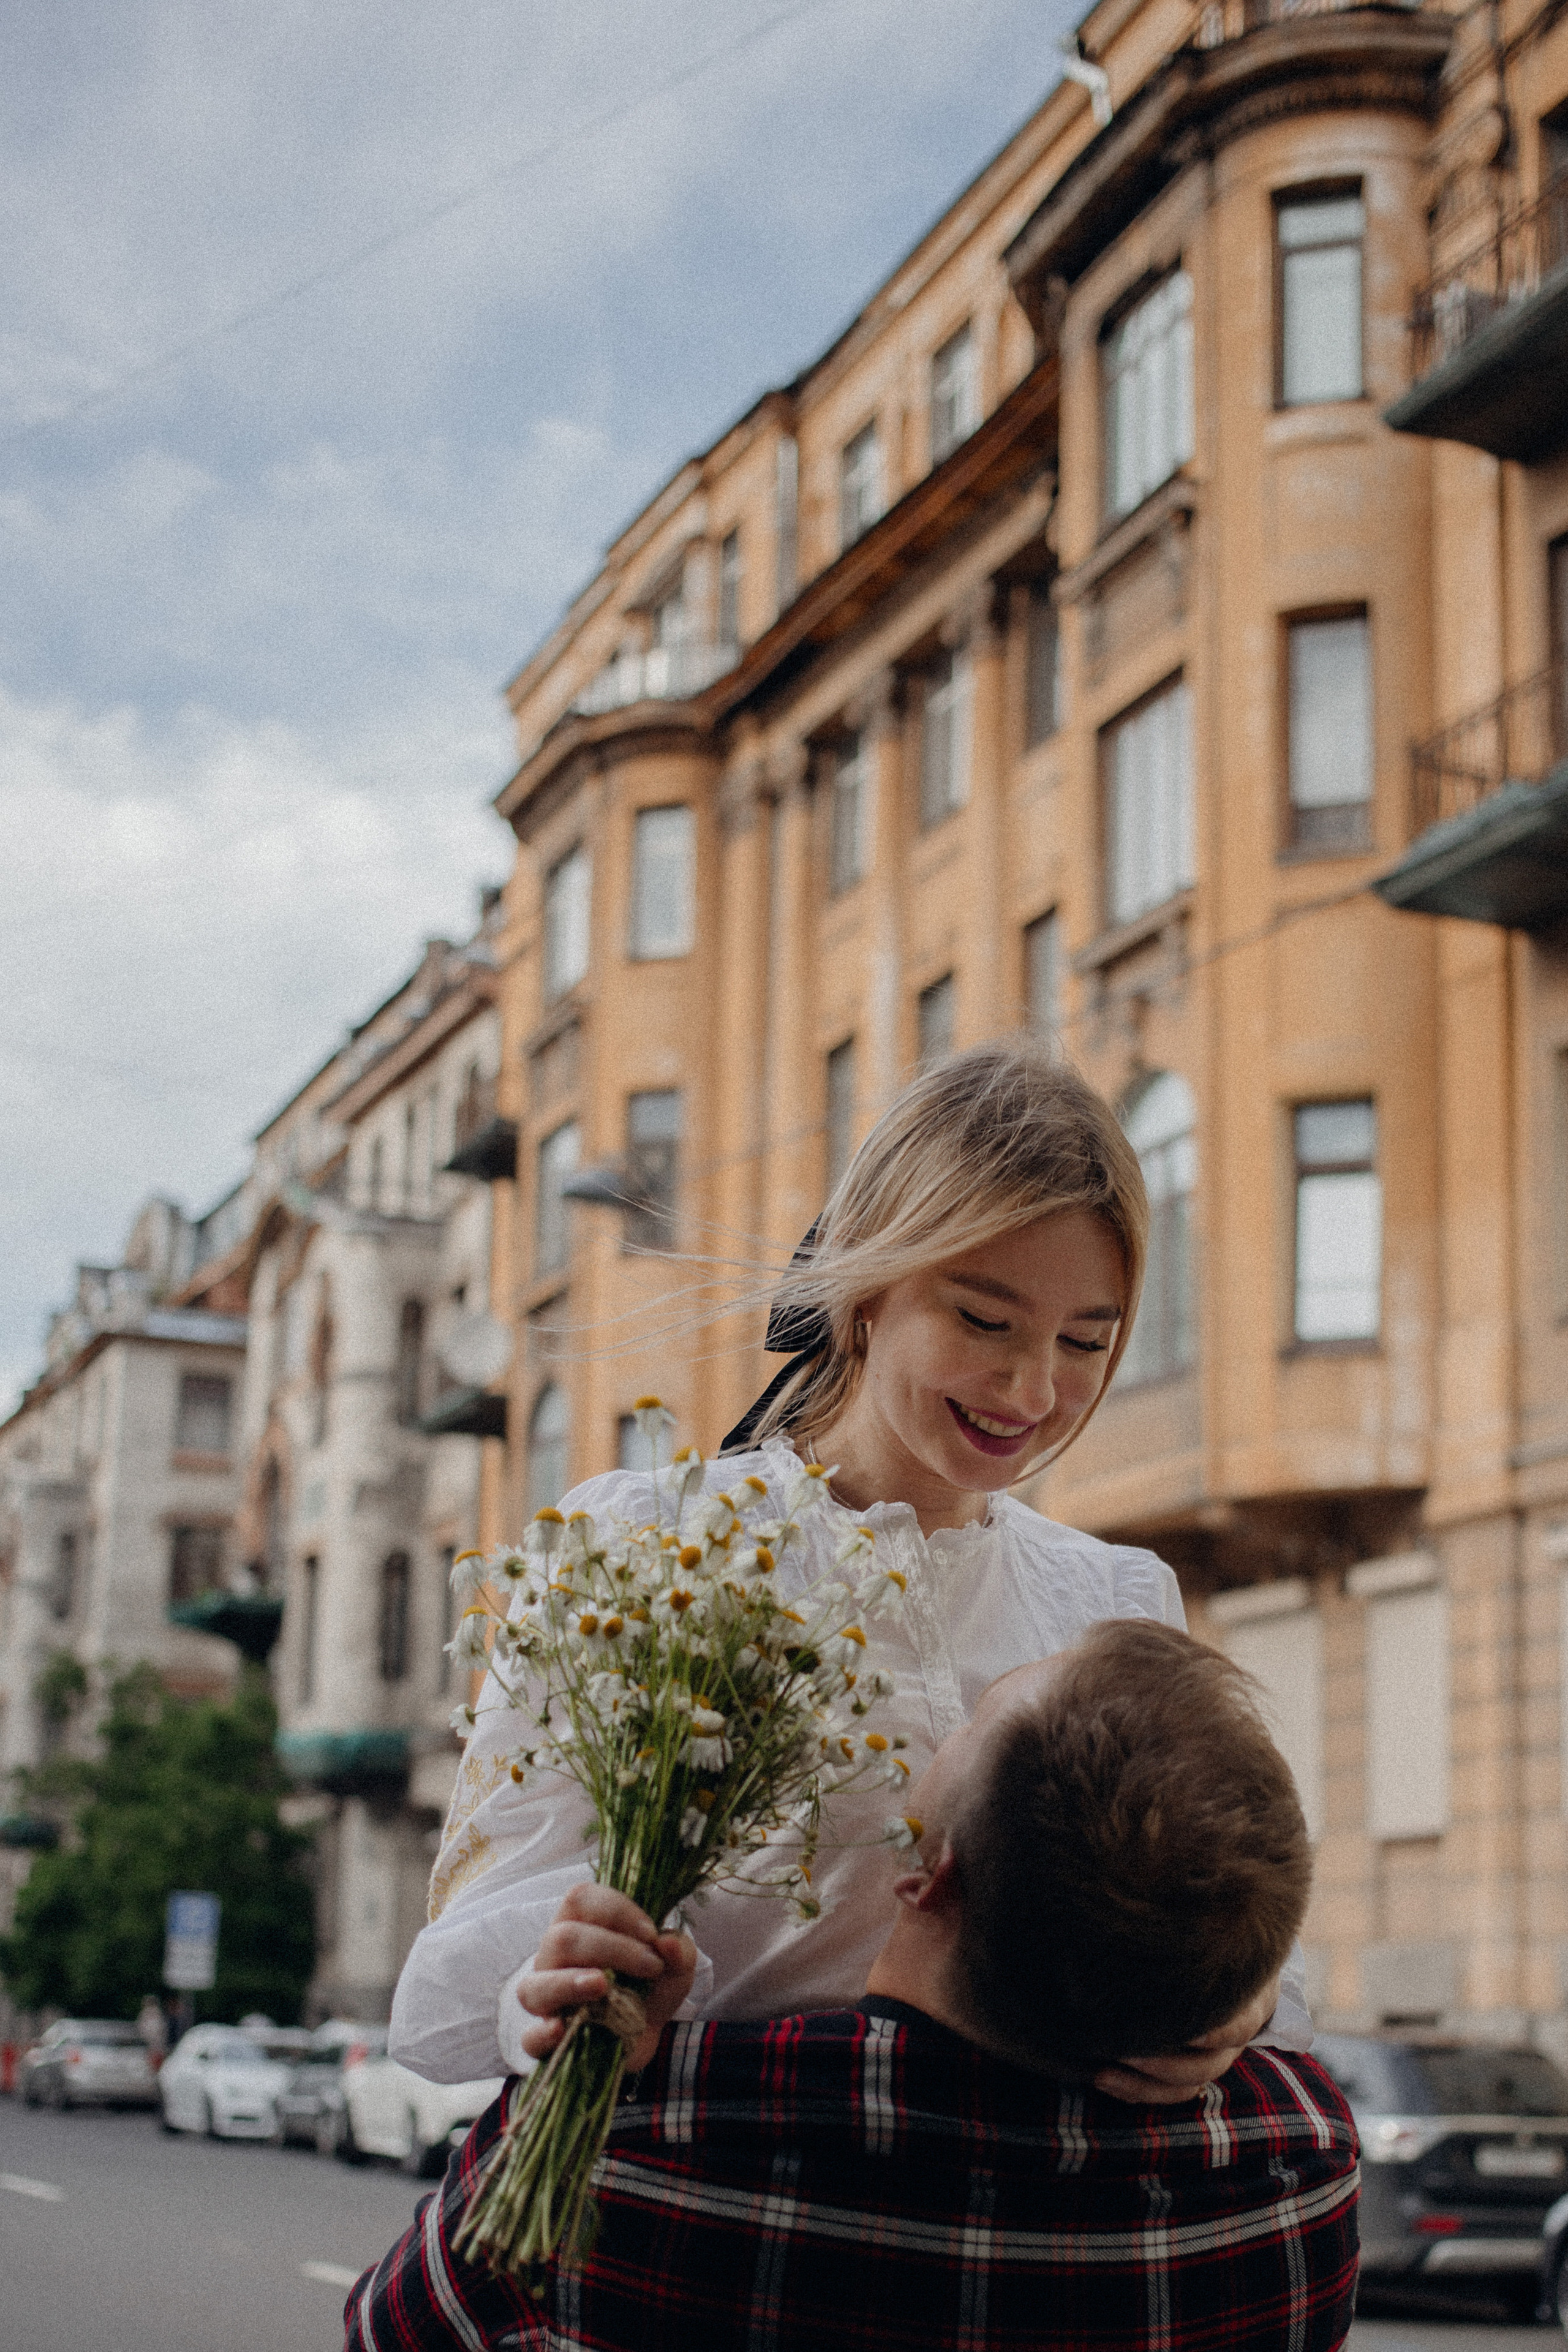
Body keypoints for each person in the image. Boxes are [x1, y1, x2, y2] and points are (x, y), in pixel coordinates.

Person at [390, 1042, 1310, 2092]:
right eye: (984, 1319)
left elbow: (1217, 1942)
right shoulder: (638, 1548)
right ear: (868, 1283)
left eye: (1085, 1343)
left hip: (1008, 2227)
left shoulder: (1116, 1602)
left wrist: (1230, 2007)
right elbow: (441, 2003)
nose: (1031, 1386)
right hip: (703, 2208)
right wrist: (551, 1997)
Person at [348, 1624, 1358, 2351]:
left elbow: (386, 2329)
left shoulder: (645, 2137)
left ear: (929, 1877)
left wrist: (587, 2073)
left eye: (970, 1722)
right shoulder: (1302, 2164)